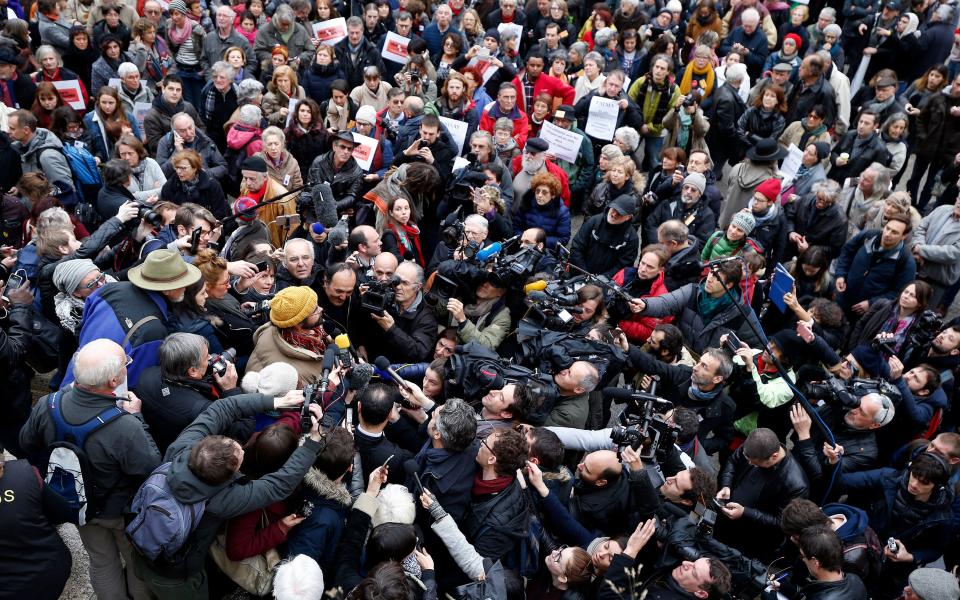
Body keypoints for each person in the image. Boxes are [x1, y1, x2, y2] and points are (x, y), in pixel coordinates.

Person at [19, 338, 161, 600]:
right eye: (124, 365)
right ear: (112, 381)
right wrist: (138, 417)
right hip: (120, 511)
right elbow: (150, 468)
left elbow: (26, 442)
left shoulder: (48, 404)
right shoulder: (126, 426)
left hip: (78, 504)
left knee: (101, 561)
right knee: (135, 562)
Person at [835, 215, 917, 318]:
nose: (887, 234)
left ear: (903, 236)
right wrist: (841, 274)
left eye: (894, 232)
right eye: (887, 228)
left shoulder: (906, 262)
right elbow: (847, 251)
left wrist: (871, 303)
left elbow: (899, 293)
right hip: (842, 298)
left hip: (867, 313)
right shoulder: (868, 236)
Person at [247, 285, 327, 386]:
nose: (321, 309)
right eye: (315, 310)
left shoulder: (271, 330)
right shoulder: (294, 375)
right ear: (298, 322)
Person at [7, 109, 75, 197]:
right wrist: (20, 189)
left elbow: (66, 190)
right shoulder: (23, 148)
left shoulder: (47, 156)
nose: (8, 131)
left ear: (26, 130)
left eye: (12, 128)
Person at [571, 194, 639, 277]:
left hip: (605, 283)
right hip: (579, 274)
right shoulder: (594, 221)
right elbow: (577, 247)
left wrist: (602, 279)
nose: (614, 214)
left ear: (628, 217)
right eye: (614, 209)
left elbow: (623, 266)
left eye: (619, 213)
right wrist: (584, 273)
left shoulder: (631, 238)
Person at [156, 112, 228, 181]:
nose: (188, 133)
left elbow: (223, 167)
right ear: (175, 132)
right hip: (177, 187)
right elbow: (161, 174)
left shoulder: (204, 140)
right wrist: (177, 153)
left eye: (190, 127)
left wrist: (204, 173)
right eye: (183, 131)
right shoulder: (165, 142)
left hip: (202, 185)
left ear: (194, 125)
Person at [160, 148, 229, 219]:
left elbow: (220, 213)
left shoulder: (212, 186)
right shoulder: (169, 187)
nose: (178, 171)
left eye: (183, 168)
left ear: (194, 168)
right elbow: (166, 214)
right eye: (176, 167)